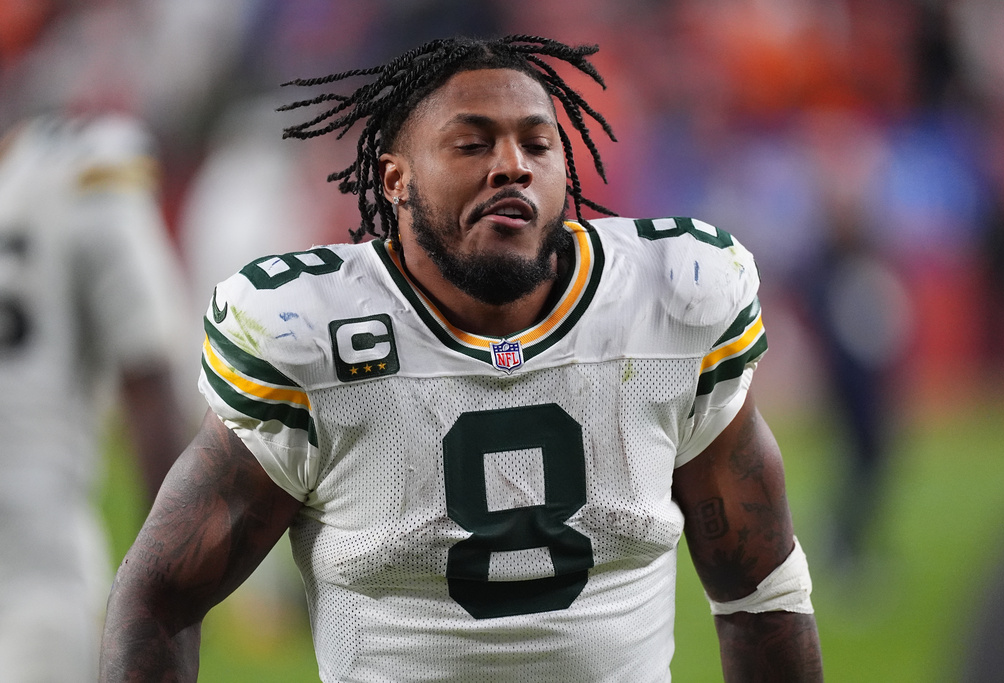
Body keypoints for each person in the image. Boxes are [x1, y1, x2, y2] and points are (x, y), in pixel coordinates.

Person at [100, 35, 823, 682]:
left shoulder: (673, 300)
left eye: (537, 146)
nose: (511, 166)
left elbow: (762, 590)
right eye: (472, 144)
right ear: (395, 180)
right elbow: (159, 597)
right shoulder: (309, 337)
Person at [0, 113, 189, 681]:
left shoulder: (71, 174)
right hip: (35, 572)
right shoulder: (73, 178)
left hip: (33, 568)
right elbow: (149, 379)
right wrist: (167, 603)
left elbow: (147, 378)